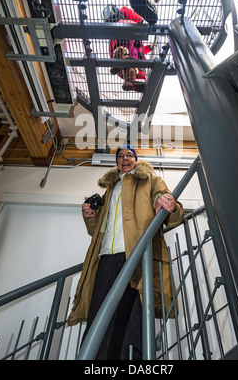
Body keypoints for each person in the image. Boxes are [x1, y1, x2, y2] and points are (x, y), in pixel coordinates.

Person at [67, 145, 184, 360]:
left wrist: (166, 202)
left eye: (129, 155)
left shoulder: (151, 181)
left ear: (136, 160)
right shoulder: (110, 189)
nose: (125, 158)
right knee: (99, 316)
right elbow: (95, 231)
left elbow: (174, 216)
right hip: (105, 258)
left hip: (135, 256)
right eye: (120, 156)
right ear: (117, 163)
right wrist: (90, 215)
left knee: (132, 318)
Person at [105, 6, 156, 92]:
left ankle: (127, 76)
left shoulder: (111, 33)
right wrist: (142, 22)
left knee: (129, 51)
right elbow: (132, 15)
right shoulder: (124, 19)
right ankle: (129, 76)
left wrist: (149, 47)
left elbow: (141, 50)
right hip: (129, 39)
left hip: (122, 52)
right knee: (133, 52)